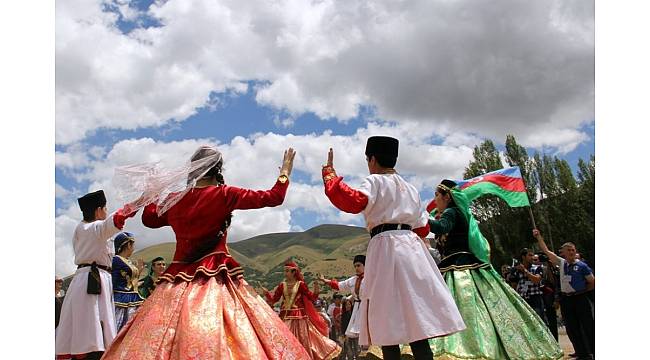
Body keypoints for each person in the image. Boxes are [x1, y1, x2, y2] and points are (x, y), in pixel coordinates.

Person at [102, 146, 311, 359]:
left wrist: (154, 195)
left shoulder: (176, 199)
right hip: (215, 277)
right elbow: (274, 197)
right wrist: (285, 172)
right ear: (218, 170)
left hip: (175, 281)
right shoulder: (225, 194)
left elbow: (150, 219)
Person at [321, 137, 465, 360]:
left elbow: (353, 201)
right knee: (416, 317)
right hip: (412, 249)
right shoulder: (411, 189)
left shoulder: (374, 181)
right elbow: (424, 228)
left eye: (368, 160)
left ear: (373, 159)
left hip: (385, 247)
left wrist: (330, 174)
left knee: (386, 317)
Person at [426, 180, 563, 360]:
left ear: (447, 197)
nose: (434, 199)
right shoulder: (449, 213)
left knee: (464, 307)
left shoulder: (453, 212)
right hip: (451, 266)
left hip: (461, 269)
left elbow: (442, 227)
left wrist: (415, 218)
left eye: (437, 195)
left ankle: (468, 349)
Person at [55, 190, 139, 360]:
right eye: (105, 209)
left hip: (86, 280)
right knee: (93, 330)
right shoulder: (93, 228)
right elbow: (117, 219)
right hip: (92, 283)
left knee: (86, 329)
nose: (107, 212)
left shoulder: (82, 228)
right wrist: (140, 201)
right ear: (99, 210)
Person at [534, 229, 595, 360]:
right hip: (567, 299)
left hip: (580, 298)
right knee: (572, 328)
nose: (572, 252)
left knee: (588, 326)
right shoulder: (562, 263)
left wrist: (582, 291)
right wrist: (539, 237)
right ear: (564, 253)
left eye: (573, 250)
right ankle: (582, 354)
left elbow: (592, 282)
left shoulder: (582, 266)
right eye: (569, 250)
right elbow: (546, 251)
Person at [263, 261, 341, 360]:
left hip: (299, 318)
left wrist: (316, 291)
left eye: (287, 271)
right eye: (285, 271)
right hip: (284, 317)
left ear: (294, 272)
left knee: (301, 340)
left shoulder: (301, 284)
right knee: (284, 340)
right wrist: (266, 293)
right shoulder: (282, 285)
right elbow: (274, 299)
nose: (285, 273)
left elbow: (311, 297)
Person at [319, 255, 366, 343]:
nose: (356, 268)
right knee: (360, 331)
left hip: (369, 306)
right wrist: (325, 281)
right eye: (355, 266)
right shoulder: (352, 280)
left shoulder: (371, 278)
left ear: (365, 265)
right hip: (357, 308)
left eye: (359, 265)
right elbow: (339, 285)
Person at [112, 232, 145, 331]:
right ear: (128, 245)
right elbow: (115, 280)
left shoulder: (126, 261)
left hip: (132, 297)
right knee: (121, 326)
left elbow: (129, 281)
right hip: (122, 299)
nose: (133, 248)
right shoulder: (116, 260)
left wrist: (138, 272)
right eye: (132, 245)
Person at [507, 248, 548, 324]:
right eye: (530, 255)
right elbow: (514, 286)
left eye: (533, 255)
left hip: (535, 299)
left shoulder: (537, 268)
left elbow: (537, 280)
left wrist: (525, 271)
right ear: (523, 257)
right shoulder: (516, 270)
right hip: (523, 299)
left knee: (539, 321)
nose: (532, 257)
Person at [539, 253, 560, 341]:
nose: (540, 263)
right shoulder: (534, 270)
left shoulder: (552, 270)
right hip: (539, 299)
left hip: (549, 300)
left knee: (552, 322)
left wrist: (556, 299)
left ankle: (555, 342)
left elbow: (556, 285)